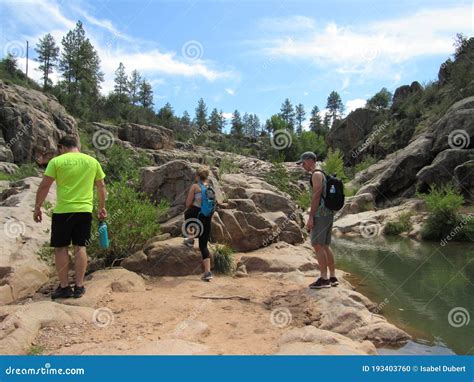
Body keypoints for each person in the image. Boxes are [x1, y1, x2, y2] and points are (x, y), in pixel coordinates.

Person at [33, 136, 107, 299]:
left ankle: (65, 287)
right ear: (77, 146)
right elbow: (101, 186)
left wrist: (37, 207)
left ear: (61, 147)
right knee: (80, 247)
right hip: (84, 211)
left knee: (61, 248)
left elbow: (45, 185)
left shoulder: (57, 162)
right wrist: (102, 208)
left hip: (63, 212)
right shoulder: (92, 161)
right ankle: (79, 287)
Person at [296, 151, 339, 289]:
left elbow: (316, 196)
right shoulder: (323, 173)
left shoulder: (316, 175)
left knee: (317, 245)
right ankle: (332, 277)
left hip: (320, 214)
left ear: (310, 160)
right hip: (328, 213)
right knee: (325, 245)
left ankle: (324, 279)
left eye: (303, 162)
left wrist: (310, 217)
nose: (302, 165)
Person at [183, 166, 214, 281]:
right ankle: (208, 273)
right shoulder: (210, 188)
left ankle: (190, 238)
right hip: (207, 217)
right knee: (203, 246)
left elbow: (188, 203)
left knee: (187, 214)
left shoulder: (195, 186)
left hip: (196, 215)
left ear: (197, 176)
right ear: (207, 177)